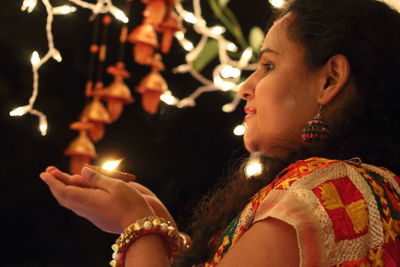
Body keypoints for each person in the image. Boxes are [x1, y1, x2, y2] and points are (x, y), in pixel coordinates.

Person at [39, 0, 400, 266]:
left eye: (269, 65)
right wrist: (163, 230)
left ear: (330, 79)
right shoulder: (365, 191)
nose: (246, 87)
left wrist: (138, 226)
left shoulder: (330, 191)